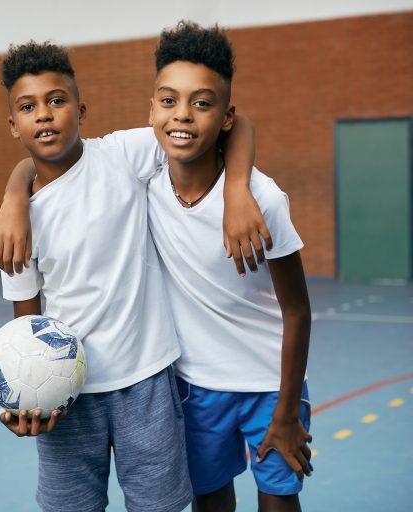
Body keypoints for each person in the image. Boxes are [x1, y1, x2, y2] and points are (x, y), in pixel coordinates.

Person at [0, 38, 265, 511]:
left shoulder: (121, 154)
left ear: (81, 108)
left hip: (149, 381)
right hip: (66, 392)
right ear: (13, 125)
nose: (44, 115)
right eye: (28, 107)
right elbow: (26, 326)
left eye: (57, 101)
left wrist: (238, 189)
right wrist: (24, 400)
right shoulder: (17, 226)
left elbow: (234, 123)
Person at [146, 22, 312, 511]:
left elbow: (298, 312)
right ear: (152, 108)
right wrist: (13, 192)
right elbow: (56, 157)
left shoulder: (263, 198)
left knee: (278, 501)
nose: (183, 115)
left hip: (269, 386)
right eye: (169, 100)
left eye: (201, 103)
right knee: (211, 501)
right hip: (196, 387)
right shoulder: (145, 177)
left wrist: (285, 411)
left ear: (224, 115)